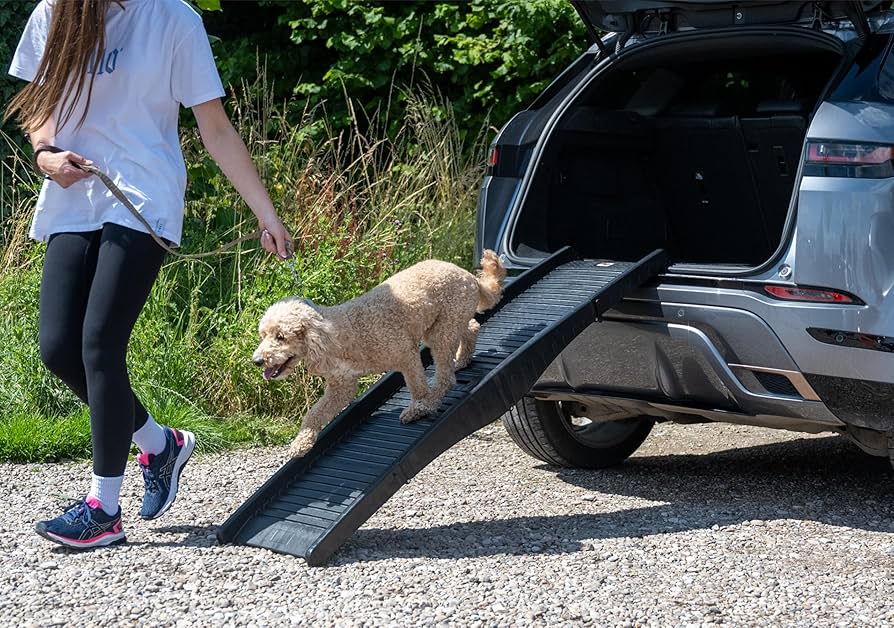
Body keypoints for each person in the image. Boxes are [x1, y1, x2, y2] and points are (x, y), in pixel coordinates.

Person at [5, 0, 292, 549]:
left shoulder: (174, 19)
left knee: (99, 345)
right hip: (75, 194)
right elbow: (40, 105)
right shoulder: (55, 12)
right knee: (59, 347)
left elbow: (216, 129)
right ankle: (159, 444)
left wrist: (265, 213)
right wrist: (44, 152)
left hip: (143, 195)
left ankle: (102, 509)